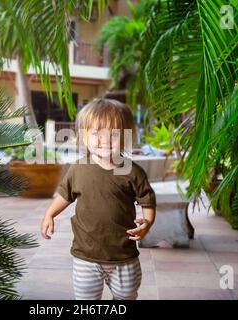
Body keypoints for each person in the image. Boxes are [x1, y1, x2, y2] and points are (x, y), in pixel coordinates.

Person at [40, 98, 156, 300]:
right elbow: (64, 195)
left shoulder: (132, 172)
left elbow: (148, 201)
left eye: (113, 134)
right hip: (86, 254)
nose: (104, 140)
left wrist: (147, 223)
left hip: (123, 254)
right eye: (96, 134)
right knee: (86, 298)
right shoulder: (78, 168)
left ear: (125, 138)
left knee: (127, 295)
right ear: (85, 137)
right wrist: (49, 214)